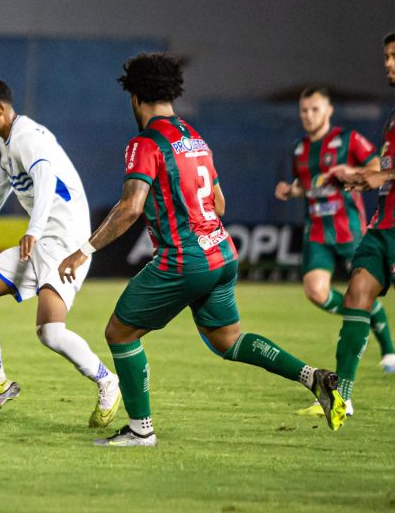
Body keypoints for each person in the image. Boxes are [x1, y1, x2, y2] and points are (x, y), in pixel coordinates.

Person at [58, 53, 346, 447]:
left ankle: (141, 429)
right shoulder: (195, 139)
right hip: (221, 251)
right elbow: (220, 205)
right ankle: (312, 376)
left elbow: (131, 206)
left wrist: (84, 249)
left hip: (183, 258)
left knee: (119, 333)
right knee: (228, 340)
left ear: (135, 97)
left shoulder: (146, 143)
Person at [0, 77, 122, 427]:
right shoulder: (9, 142)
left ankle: (108, 381)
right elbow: (3, 183)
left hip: (64, 242)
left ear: (0, 110)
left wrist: (32, 229)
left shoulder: (28, 138)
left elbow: (45, 178)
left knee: (51, 332)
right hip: (42, 239)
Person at [274, 87, 395, 380]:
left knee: (362, 289)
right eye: (304, 110)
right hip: (316, 230)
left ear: (328, 111)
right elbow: (307, 184)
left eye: (315, 109)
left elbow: (379, 165)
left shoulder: (347, 139)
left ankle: (389, 349)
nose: (308, 115)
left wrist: (350, 170)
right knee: (315, 291)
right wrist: (291, 190)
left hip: (348, 228)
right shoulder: (299, 149)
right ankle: (366, 313)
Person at [326, 32, 395, 416]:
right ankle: (342, 396)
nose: (387, 63)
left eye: (394, 56)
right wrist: (360, 174)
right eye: (386, 55)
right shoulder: (391, 118)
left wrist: (380, 179)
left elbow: (386, 174)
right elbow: (383, 166)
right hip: (382, 228)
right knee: (356, 295)